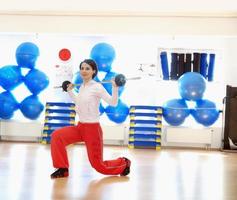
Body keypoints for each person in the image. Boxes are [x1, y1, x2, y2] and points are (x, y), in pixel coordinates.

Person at [50, 59, 131, 179]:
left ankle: (123, 163)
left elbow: (113, 103)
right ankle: (62, 168)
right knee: (57, 136)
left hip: (92, 130)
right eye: (82, 68)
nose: (84, 71)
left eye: (87, 68)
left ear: (93, 71)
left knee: (99, 166)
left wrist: (115, 88)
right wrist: (70, 91)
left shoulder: (97, 87)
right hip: (80, 127)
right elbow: (78, 102)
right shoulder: (82, 86)